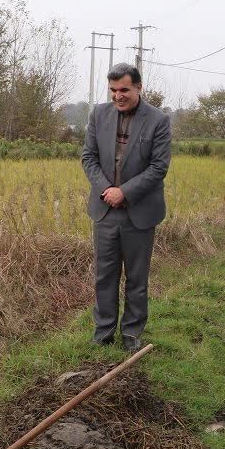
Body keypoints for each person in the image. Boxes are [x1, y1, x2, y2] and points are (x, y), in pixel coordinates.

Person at [81, 63, 171, 352]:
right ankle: (103, 332)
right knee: (104, 274)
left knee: (136, 276)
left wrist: (125, 192)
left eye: (124, 90)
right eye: (113, 90)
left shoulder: (158, 120)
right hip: (105, 209)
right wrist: (108, 190)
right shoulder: (99, 115)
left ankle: (132, 334)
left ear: (138, 88)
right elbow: (89, 158)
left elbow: (159, 167)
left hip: (139, 212)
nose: (118, 96)